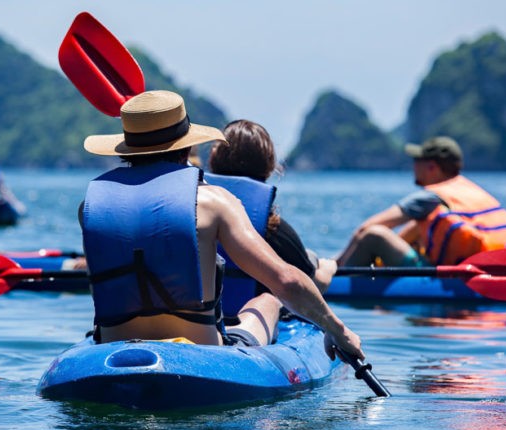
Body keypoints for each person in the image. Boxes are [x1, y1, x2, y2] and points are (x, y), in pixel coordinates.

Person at [79, 90, 364, 363]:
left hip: (112, 345)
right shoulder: (213, 202)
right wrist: (338, 330)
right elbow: (287, 281)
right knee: (269, 299)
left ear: (125, 150)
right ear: (186, 148)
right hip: (202, 350)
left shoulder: (91, 206)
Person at [206, 119, 337, 319]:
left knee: (308, 257)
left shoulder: (194, 213)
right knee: (311, 264)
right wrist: (329, 270)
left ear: (213, 159)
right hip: (251, 319)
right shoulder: (272, 229)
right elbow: (307, 288)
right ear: (268, 166)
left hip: (202, 317)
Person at [336, 136, 506, 267]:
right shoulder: (470, 191)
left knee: (374, 235)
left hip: (454, 277)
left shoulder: (429, 196)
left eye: (417, 161)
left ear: (432, 167)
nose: (413, 166)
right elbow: (411, 232)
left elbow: (364, 229)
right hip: (503, 265)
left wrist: (334, 267)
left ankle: (331, 284)